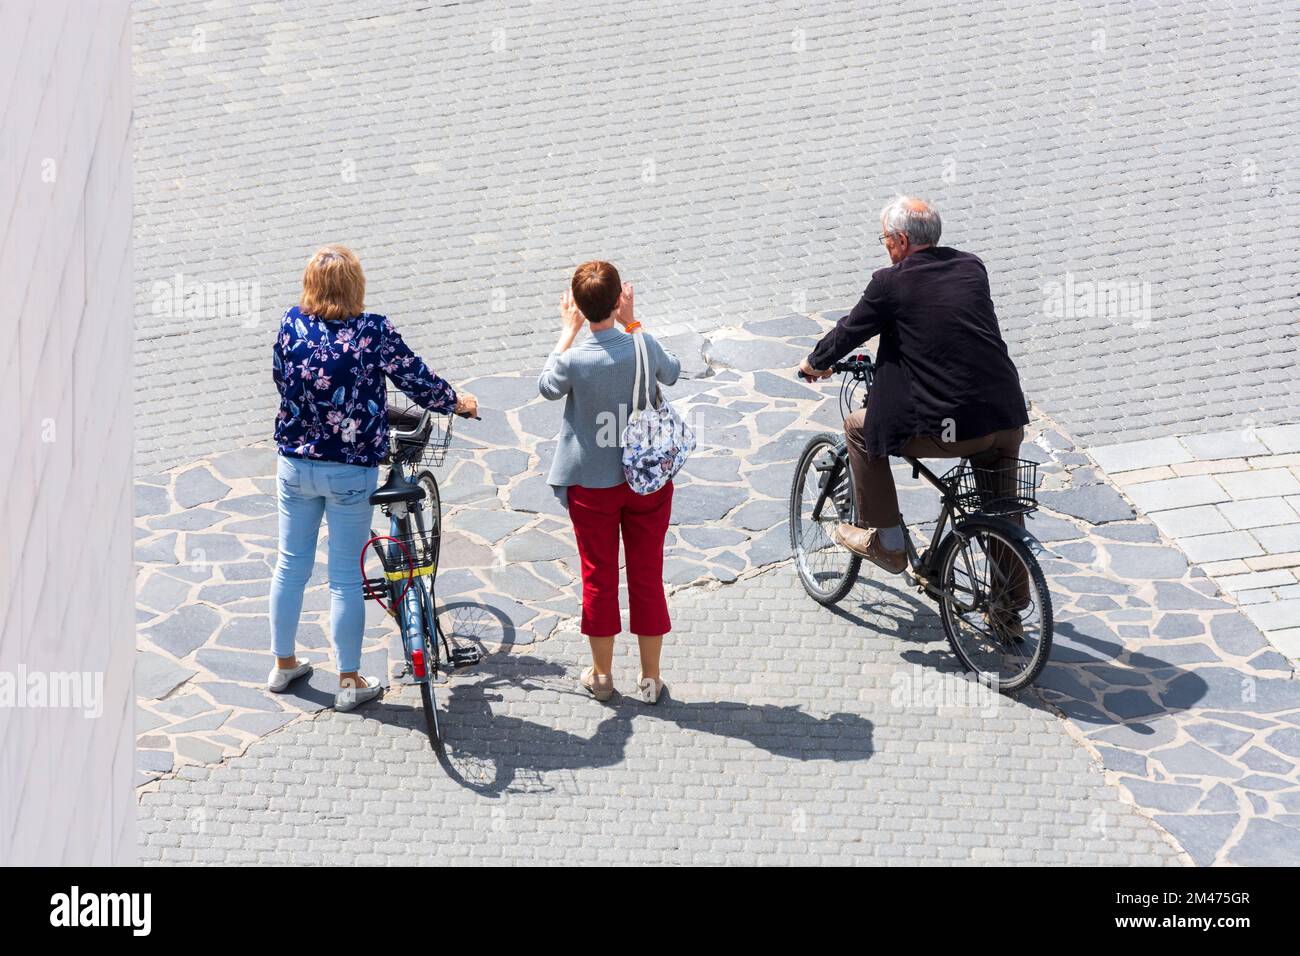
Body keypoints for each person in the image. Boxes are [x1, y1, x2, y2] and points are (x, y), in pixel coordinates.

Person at [268, 245, 478, 710]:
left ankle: (283, 665)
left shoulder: (290, 324)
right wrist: (455, 401)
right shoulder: (371, 331)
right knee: (344, 576)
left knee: (290, 565)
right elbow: (416, 379)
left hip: (296, 465)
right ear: (355, 286)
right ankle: (349, 680)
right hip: (350, 470)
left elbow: (282, 380)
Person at [798, 196, 1029, 597]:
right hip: (1005, 418)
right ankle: (1011, 615)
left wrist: (814, 363)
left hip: (955, 428)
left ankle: (886, 542)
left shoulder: (890, 283)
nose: (885, 246)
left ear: (902, 240)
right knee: (1002, 510)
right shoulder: (972, 266)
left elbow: (851, 330)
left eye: (885, 238)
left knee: (857, 428)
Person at [538, 261, 682, 704]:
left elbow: (546, 386)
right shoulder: (642, 343)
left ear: (578, 307)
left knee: (598, 578)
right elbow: (673, 372)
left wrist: (566, 331)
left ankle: (602, 677)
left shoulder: (577, 359)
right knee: (647, 576)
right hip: (646, 482)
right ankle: (650, 679)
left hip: (591, 485)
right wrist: (633, 322)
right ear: (620, 298)